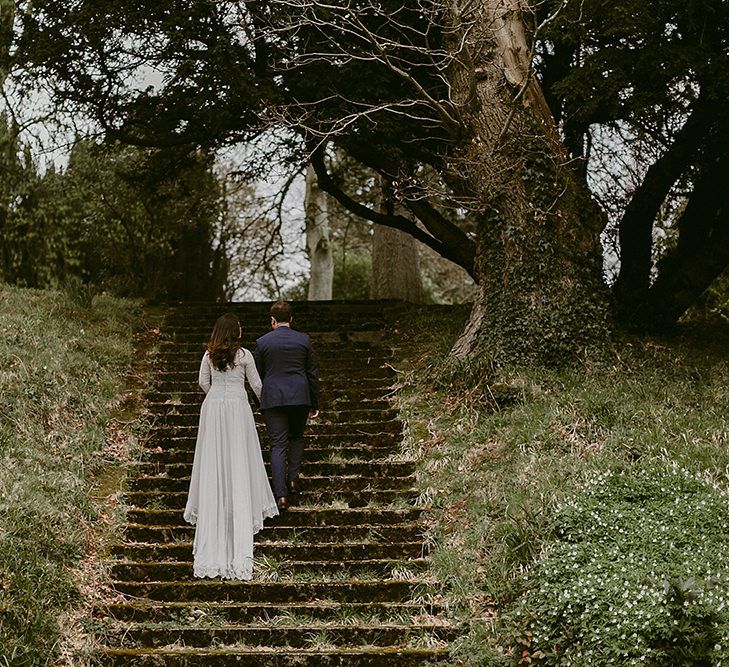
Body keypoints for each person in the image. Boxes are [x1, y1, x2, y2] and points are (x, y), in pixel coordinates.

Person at [183, 313, 278, 580]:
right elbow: (257, 385)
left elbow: (203, 382)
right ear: (234, 331)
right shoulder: (244, 355)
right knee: (238, 458)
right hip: (237, 408)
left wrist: (216, 396)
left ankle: (216, 518)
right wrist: (264, 406)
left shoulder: (209, 354)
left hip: (213, 408)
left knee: (215, 459)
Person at [254, 300, 319, 512]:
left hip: (273, 398)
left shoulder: (262, 343)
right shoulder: (304, 340)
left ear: (272, 320)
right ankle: (293, 479)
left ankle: (280, 495)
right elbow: (312, 374)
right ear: (291, 319)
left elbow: (258, 376)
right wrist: (314, 402)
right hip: (300, 396)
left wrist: (260, 401)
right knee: (296, 437)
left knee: (278, 445)